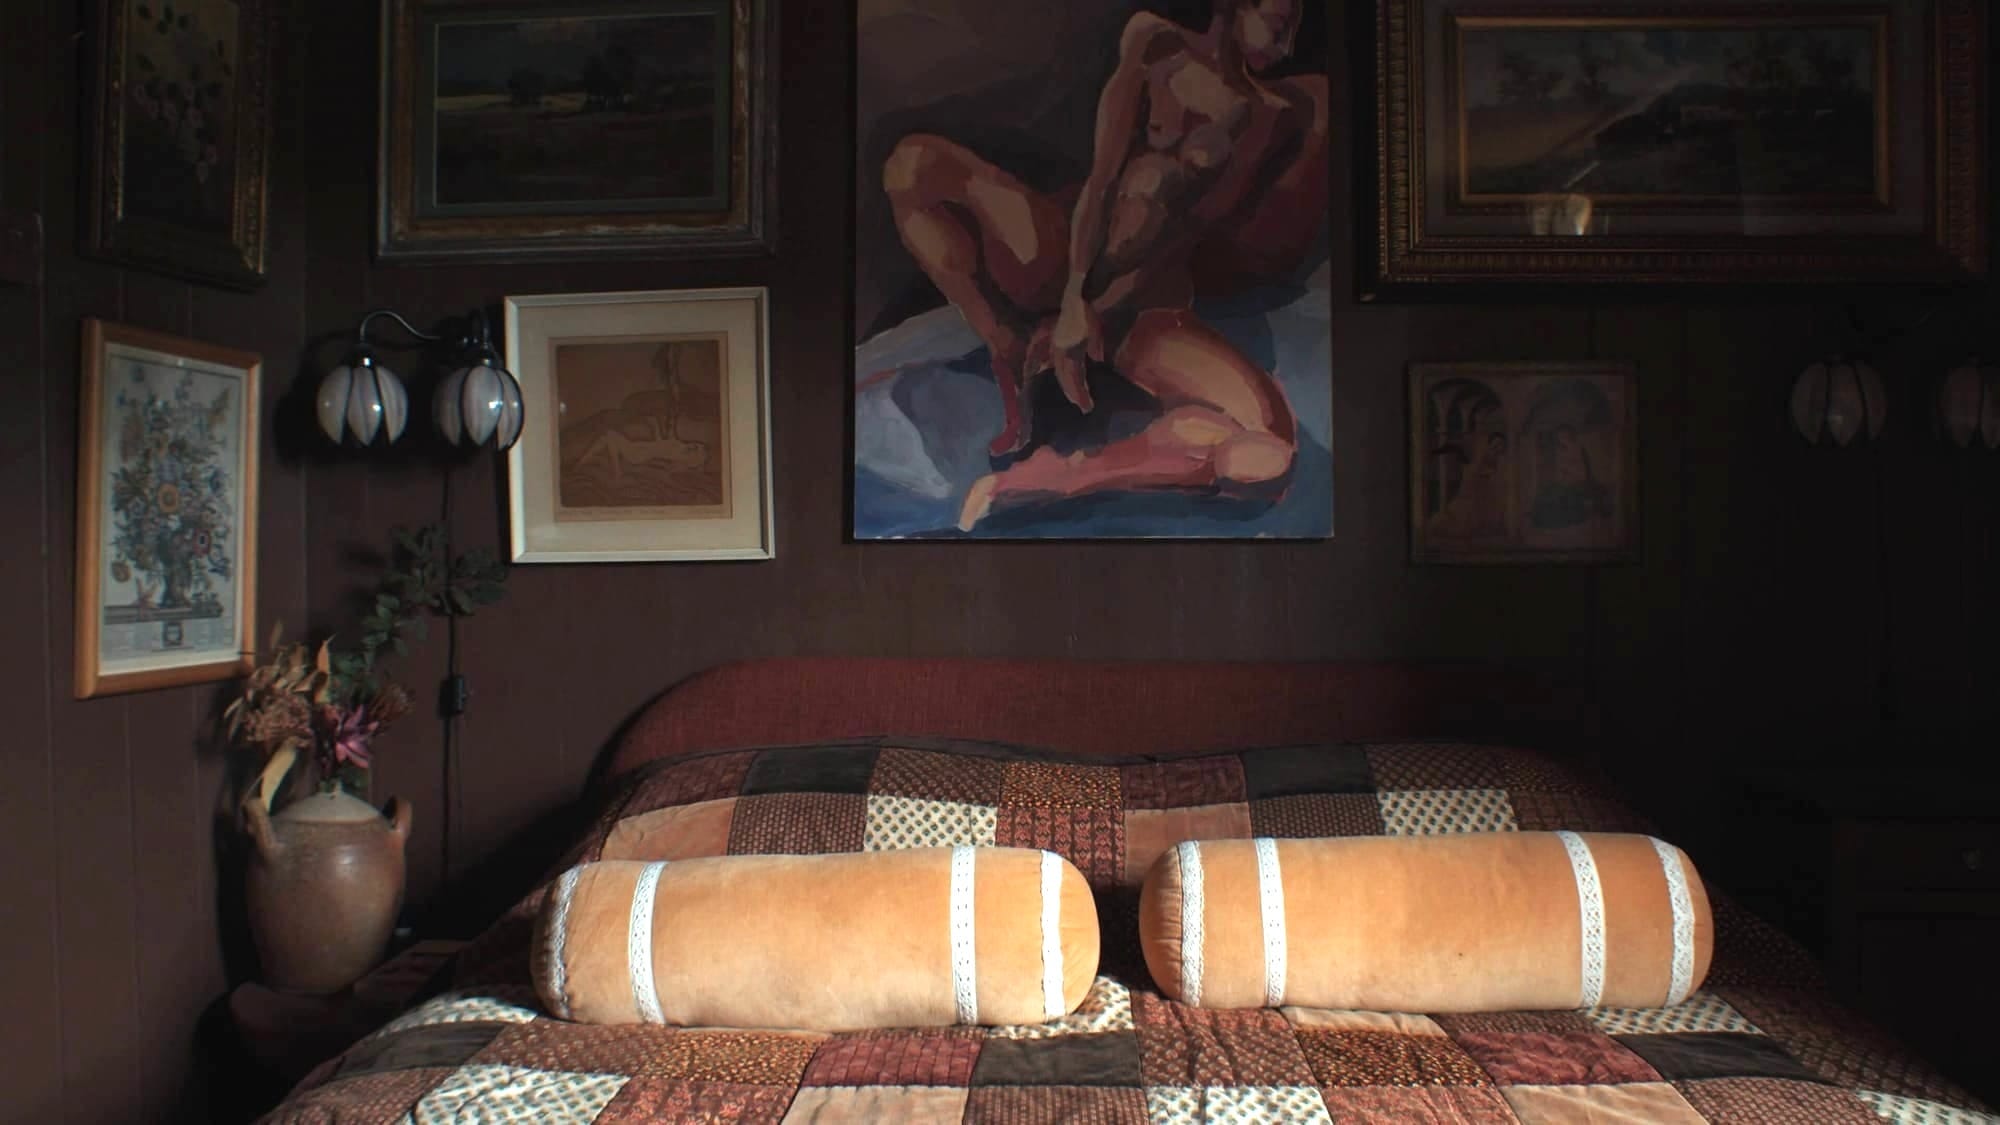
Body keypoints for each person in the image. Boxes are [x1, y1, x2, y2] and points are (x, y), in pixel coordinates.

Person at [881, 0, 1327, 531]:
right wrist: (1073, 299)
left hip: (1147, 308)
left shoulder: (1264, 114)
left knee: (1268, 453)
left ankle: (1054, 477)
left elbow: (1186, 234)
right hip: (1062, 256)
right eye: (1281, 24)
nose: (1288, 45)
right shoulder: (1154, 42)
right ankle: (1009, 346)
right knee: (913, 166)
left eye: (1294, 29)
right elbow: (1102, 178)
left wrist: (1100, 311)